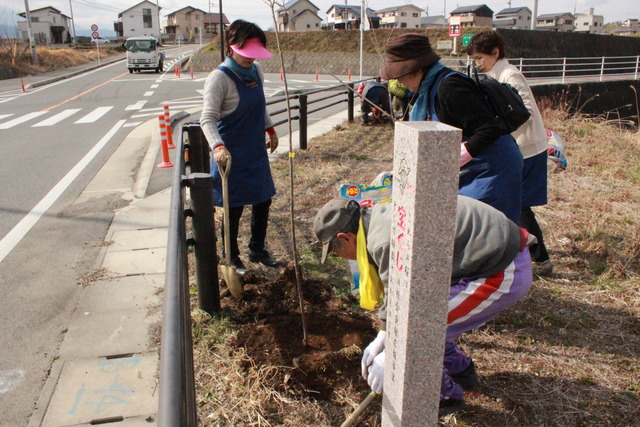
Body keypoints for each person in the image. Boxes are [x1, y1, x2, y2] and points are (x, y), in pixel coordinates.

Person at [313, 195, 533, 416]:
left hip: (503, 270)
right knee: (421, 316)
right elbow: (400, 292)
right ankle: (459, 369)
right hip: (486, 258)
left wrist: (393, 352)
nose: (340, 257)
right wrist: (384, 331)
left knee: (421, 328)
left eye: (335, 251)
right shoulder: (375, 221)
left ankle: (444, 397)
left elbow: (409, 311)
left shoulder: (383, 241)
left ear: (345, 238)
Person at [382, 33, 523, 224]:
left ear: (417, 68)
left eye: (401, 75)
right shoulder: (428, 89)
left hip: (492, 166)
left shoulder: (450, 87)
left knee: (486, 231)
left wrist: (447, 160)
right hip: (470, 166)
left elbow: (489, 128)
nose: (400, 82)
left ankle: (522, 252)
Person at [468, 30, 552, 275]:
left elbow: (524, 110)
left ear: (495, 52)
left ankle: (542, 260)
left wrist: (495, 128)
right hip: (518, 149)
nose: (478, 64)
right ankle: (524, 252)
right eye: (474, 59)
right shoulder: (497, 74)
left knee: (520, 206)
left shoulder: (509, 75)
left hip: (525, 149)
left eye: (480, 58)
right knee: (515, 205)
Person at [200, 19, 280, 274]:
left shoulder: (257, 71)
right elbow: (207, 118)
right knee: (233, 208)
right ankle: (231, 257)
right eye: (246, 53)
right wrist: (217, 146)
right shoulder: (219, 78)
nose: (249, 59)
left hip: (254, 149)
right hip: (229, 153)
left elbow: (260, 106)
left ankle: (257, 249)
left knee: (263, 199)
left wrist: (270, 128)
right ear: (231, 47)